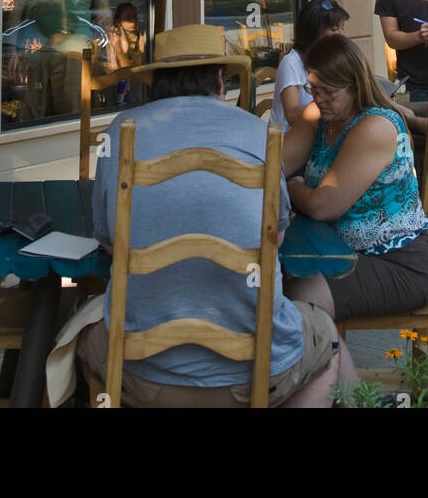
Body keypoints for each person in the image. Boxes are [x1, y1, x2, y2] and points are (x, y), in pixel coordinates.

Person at [77, 24, 357, 407]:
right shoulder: (261, 134)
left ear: (155, 83)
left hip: (142, 375)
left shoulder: (120, 131)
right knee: (326, 337)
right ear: (220, 79)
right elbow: (276, 231)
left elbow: (108, 239)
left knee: (76, 334)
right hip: (257, 376)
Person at [282, 34, 428, 322]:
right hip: (338, 252)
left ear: (355, 86)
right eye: (313, 89)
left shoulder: (375, 126)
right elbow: (276, 163)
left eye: (329, 92)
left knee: (300, 303)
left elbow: (323, 206)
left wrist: (294, 187)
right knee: (274, 284)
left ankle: (324, 363)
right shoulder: (320, 114)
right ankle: (330, 362)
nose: (319, 99)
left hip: (400, 261)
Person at [270, 0, 348, 131]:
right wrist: (336, 108)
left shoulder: (330, 62)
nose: (341, 35)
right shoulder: (292, 63)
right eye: (334, 29)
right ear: (313, 32)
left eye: (342, 29)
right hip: (288, 140)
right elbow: (291, 114)